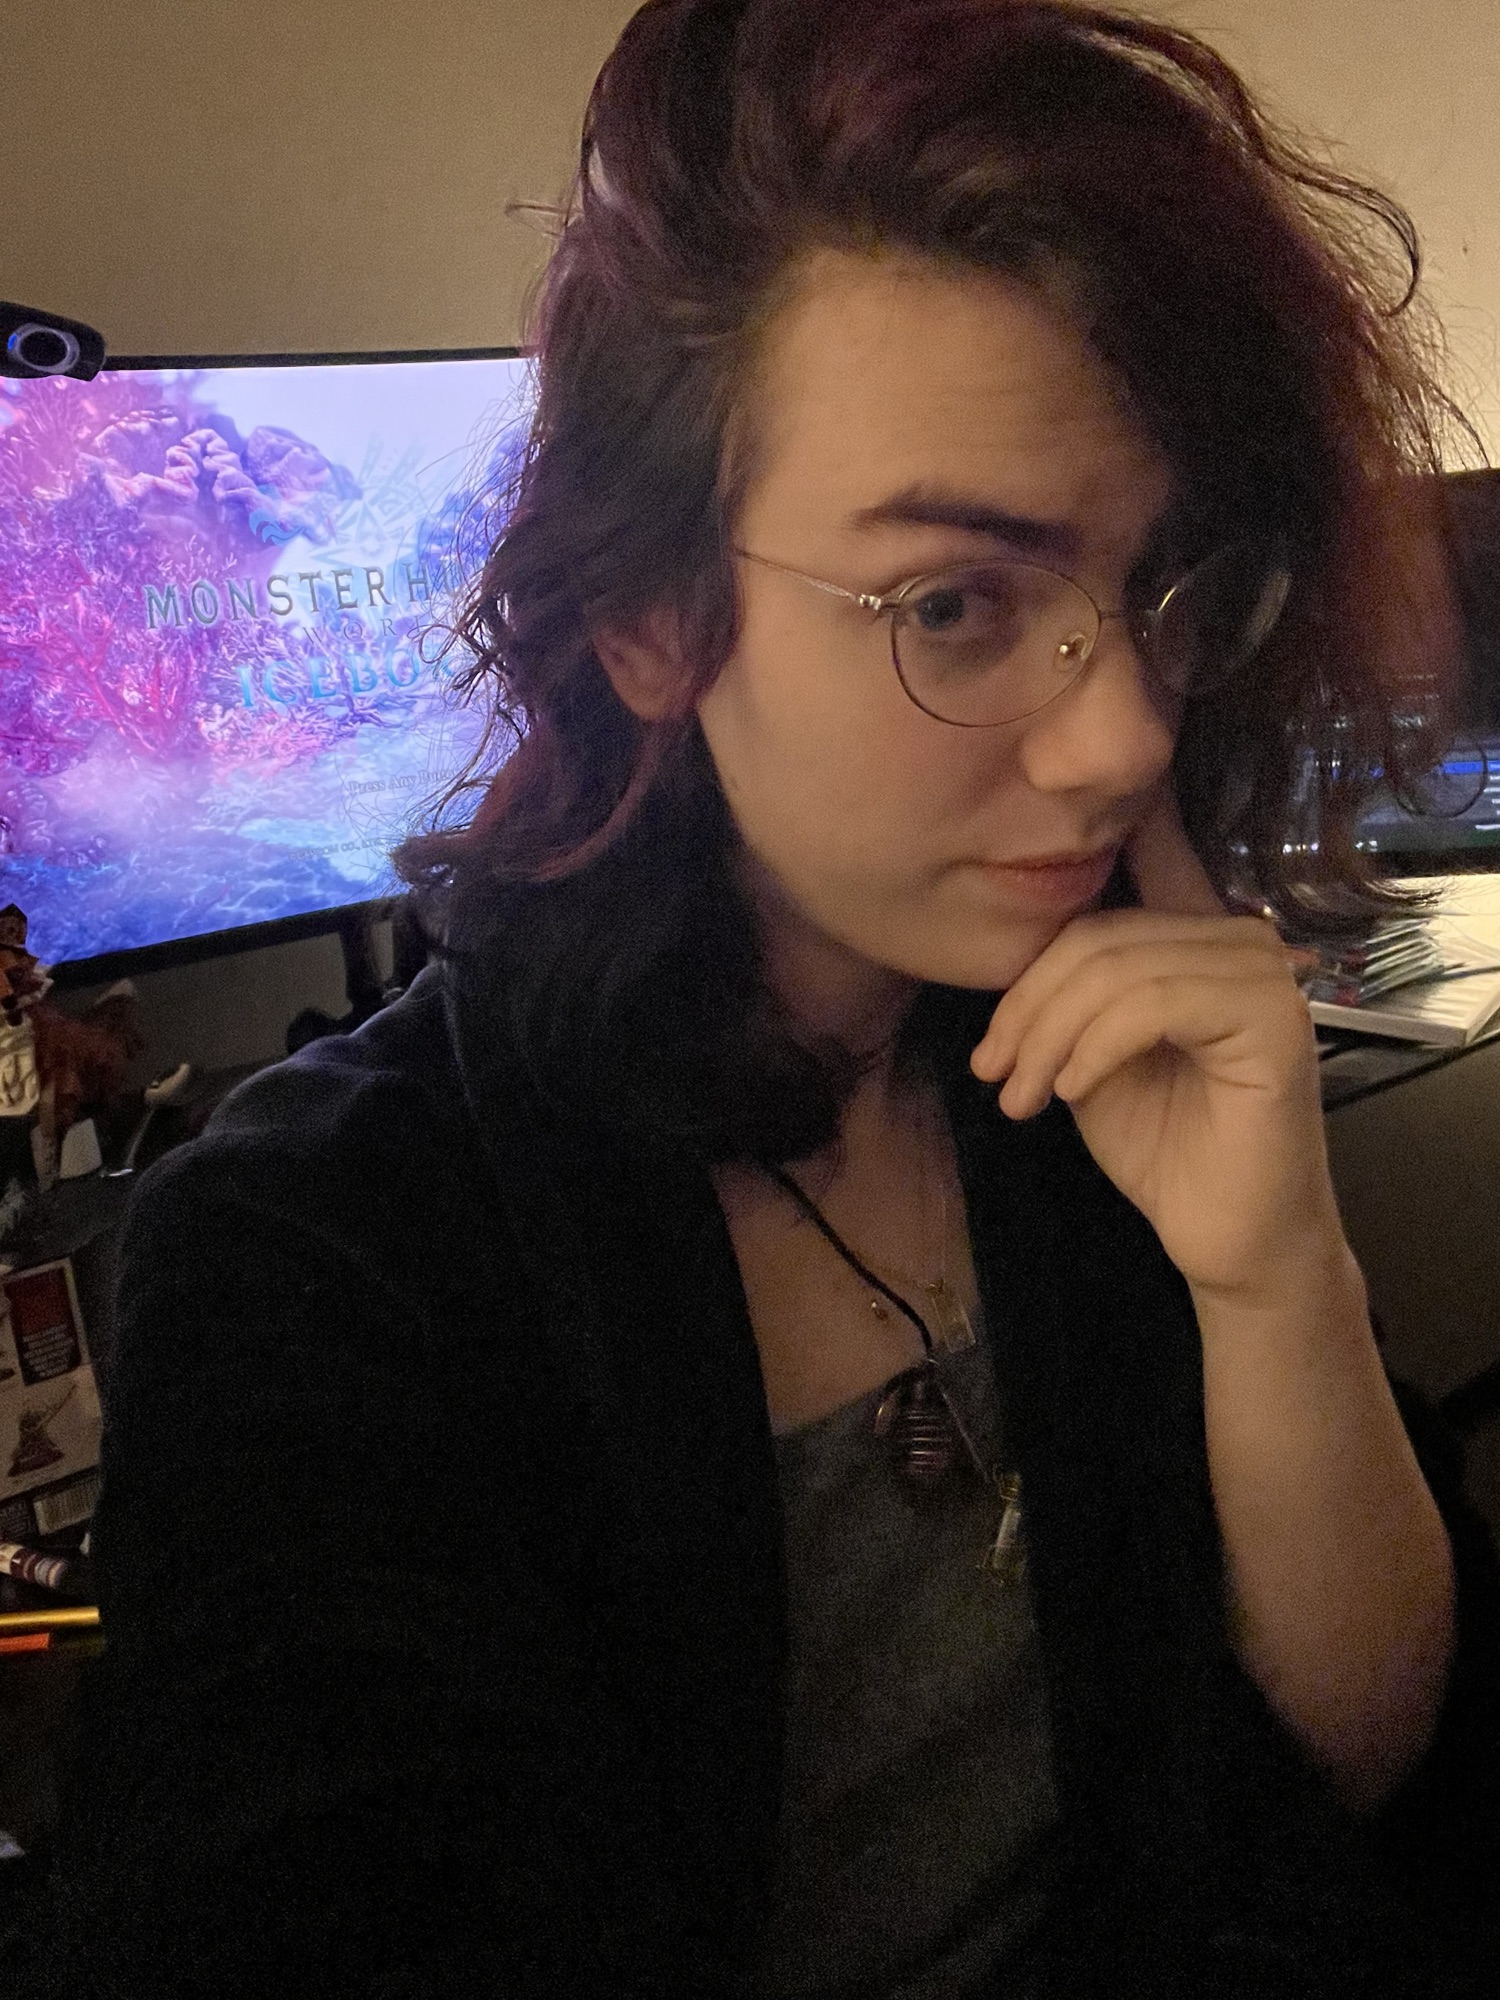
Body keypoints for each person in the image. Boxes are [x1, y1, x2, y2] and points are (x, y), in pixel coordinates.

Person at [30, 1, 1500, 1995]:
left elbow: (1360, 1778)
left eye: (1163, 586)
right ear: (649, 616)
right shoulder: (328, 1252)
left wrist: (1277, 1284)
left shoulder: (1080, 1068)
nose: (1125, 738)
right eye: (956, 603)